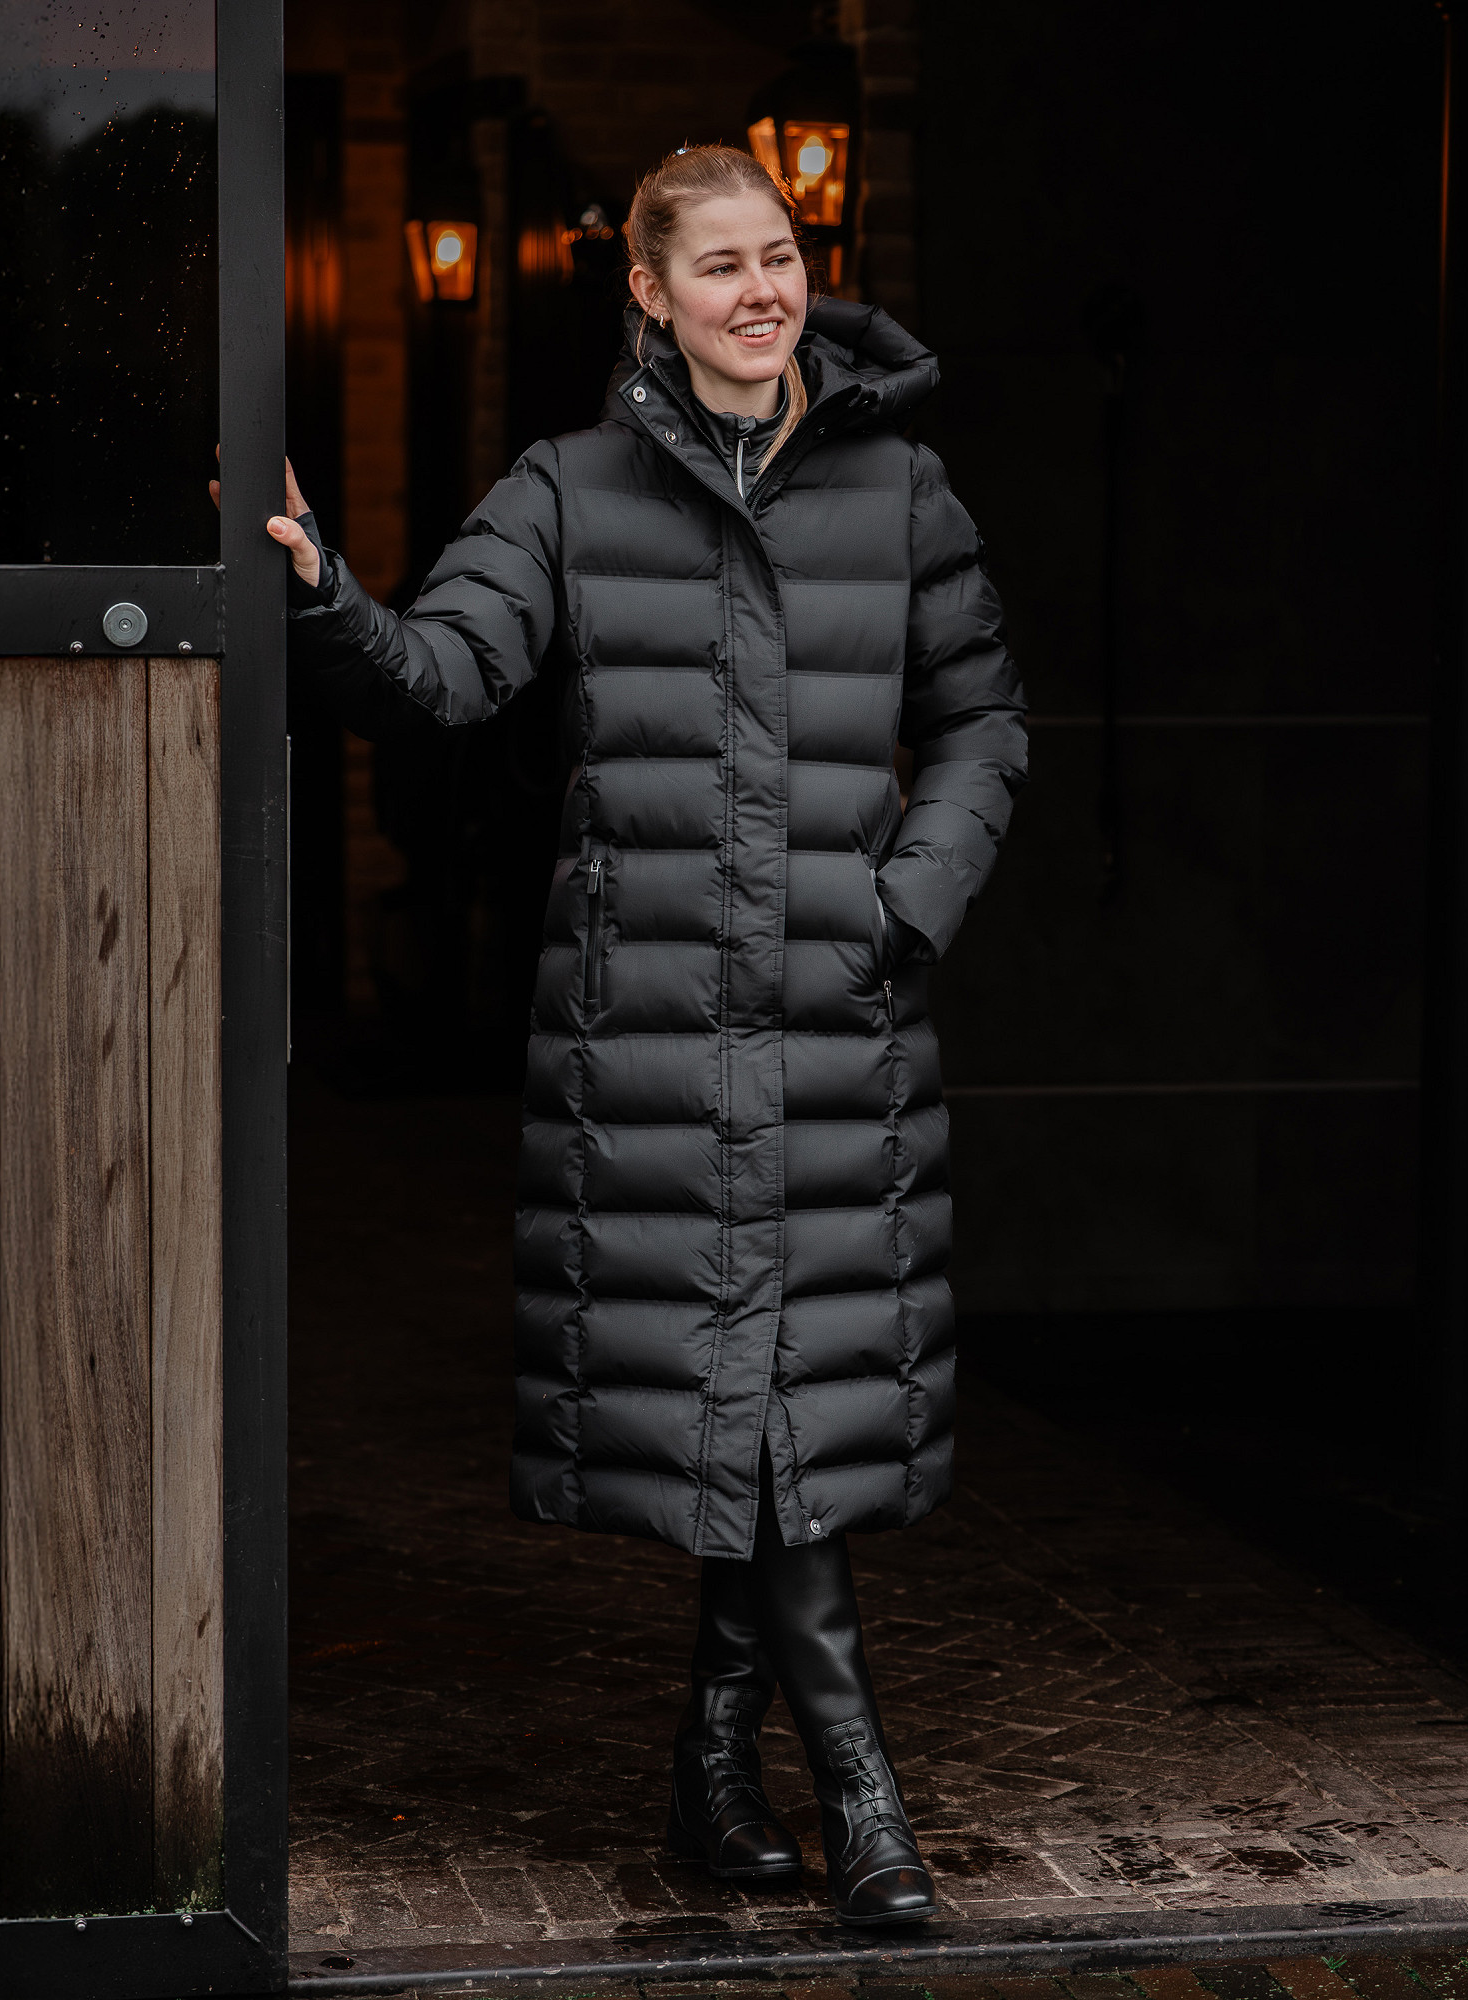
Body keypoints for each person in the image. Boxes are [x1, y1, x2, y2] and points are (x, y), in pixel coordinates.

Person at [263, 143, 1027, 1926]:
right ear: (650, 293)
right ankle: (864, 1800)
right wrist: (317, 592)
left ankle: (712, 1771)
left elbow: (984, 718)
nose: (763, 292)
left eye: (783, 256)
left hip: (837, 1025)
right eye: (721, 266)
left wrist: (906, 901)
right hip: (656, 1044)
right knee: (752, 1407)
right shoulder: (567, 489)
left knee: (768, 1413)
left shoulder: (902, 486)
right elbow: (443, 677)